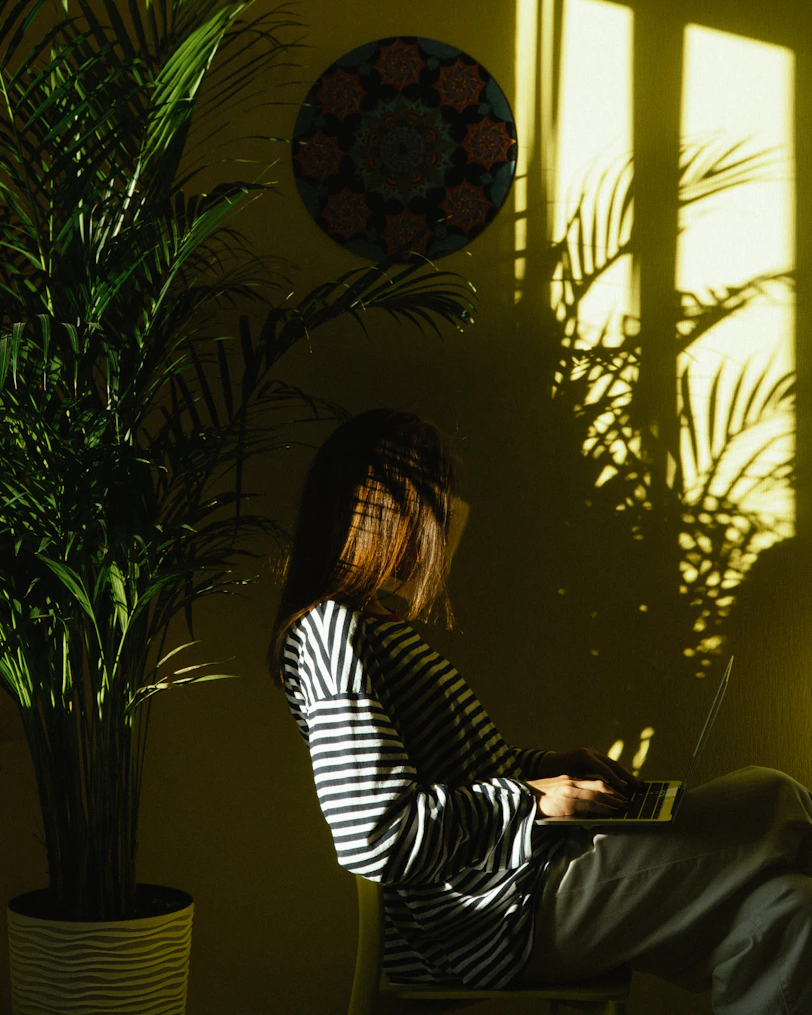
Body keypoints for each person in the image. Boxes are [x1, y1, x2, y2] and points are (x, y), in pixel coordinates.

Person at [268, 408, 812, 1012]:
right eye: (442, 496)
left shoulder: (377, 625)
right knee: (773, 796)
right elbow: (375, 835)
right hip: (491, 916)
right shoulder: (331, 631)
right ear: (395, 512)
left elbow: (456, 773)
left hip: (524, 881)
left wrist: (550, 765)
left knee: (791, 909)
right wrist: (534, 799)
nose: (454, 515)